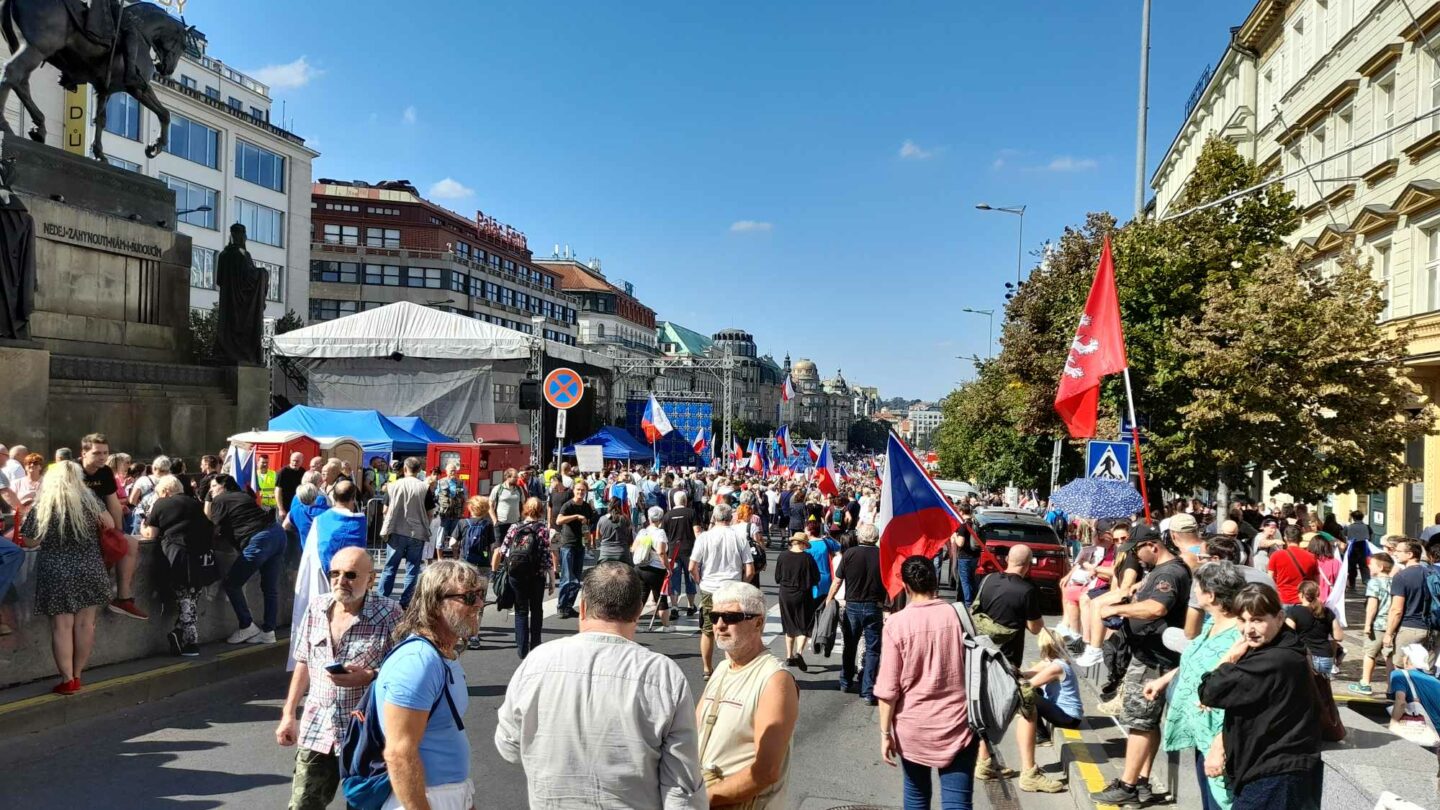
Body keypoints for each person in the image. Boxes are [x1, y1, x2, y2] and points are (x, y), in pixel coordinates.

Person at [496, 562, 707, 808]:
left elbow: (509, 745)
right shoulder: (662, 674)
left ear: (583, 607)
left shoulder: (538, 661)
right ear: (638, 612)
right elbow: (681, 784)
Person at [277, 547, 402, 810]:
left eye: (351, 574)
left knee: (363, 807)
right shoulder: (317, 607)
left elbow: (403, 671)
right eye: (334, 573)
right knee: (302, 805)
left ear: (371, 579)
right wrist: (289, 714)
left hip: (366, 734)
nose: (341, 581)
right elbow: (303, 661)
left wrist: (370, 676)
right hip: (319, 728)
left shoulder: (389, 614)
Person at [1197, 584, 1323, 809]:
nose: (1248, 630)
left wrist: (1230, 656)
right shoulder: (1283, 647)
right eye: (1242, 620)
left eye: (1257, 620)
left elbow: (1210, 690)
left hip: (1274, 775)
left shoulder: (1273, 660)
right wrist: (1220, 744)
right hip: (1274, 770)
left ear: (1279, 617)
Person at [1091, 533, 1192, 806]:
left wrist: (1119, 609)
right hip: (1150, 655)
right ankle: (1141, 782)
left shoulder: (1169, 573)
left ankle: (1127, 785)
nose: (1135, 558)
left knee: (1138, 723)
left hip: (1155, 660)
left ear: (1152, 545)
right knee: (1147, 722)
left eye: (1137, 551)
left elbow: (1156, 608)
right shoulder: (1161, 570)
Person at [375, 560, 484, 810]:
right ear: (434, 604)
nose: (479, 603)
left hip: (447, 796)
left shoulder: (442, 654)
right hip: (424, 799)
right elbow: (399, 754)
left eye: (479, 594)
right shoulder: (417, 663)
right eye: (468, 597)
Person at [875, 556, 978, 810]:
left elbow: (888, 690)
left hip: (913, 729)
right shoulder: (960, 616)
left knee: (916, 796)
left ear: (906, 587)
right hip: (959, 724)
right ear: (934, 581)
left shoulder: (896, 624)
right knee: (958, 802)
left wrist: (885, 733)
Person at [1146, 561, 1250, 810]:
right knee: (1208, 799)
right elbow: (1198, 664)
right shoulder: (1209, 625)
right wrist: (1164, 680)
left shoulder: (1239, 635)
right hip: (1201, 731)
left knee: (1221, 801)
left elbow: (1238, 692)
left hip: (1220, 737)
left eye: (1197, 588)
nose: (1194, 594)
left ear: (1211, 595)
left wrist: (1220, 745)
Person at [696, 580, 798, 809]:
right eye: (714, 617)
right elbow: (694, 732)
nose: (720, 625)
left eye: (731, 618)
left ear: (758, 622)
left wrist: (701, 800)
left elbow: (765, 771)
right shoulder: (722, 668)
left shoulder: (775, 679)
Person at [20, 460, 114, 694]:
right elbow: (110, 524)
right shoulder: (91, 501)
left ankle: (67, 679)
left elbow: (30, 540)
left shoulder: (44, 503)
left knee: (61, 627)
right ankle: (79, 675)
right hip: (90, 567)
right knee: (85, 625)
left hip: (57, 570)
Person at [141, 475, 218, 657]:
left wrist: (143, 527)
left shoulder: (162, 504)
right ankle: (179, 633)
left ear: (166, 491)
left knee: (184, 599)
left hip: (177, 554)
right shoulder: (195, 503)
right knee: (191, 599)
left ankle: (191, 643)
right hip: (200, 554)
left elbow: (151, 533)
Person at [208, 473, 286, 645]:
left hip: (259, 539)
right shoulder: (243, 495)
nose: (211, 491)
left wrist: (208, 502)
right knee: (269, 587)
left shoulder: (221, 500)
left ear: (224, 486)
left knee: (232, 583)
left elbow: (211, 525)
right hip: (277, 534)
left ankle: (247, 625)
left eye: (213, 486)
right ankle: (268, 631)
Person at [79, 433, 146, 620]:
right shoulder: (73, 470)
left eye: (105, 453)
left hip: (102, 523)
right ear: (83, 453)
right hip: (76, 525)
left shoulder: (106, 472)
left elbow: (114, 503)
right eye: (97, 453)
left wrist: (117, 532)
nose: (102, 457)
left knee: (129, 543)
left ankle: (123, 598)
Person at [1014, 630, 1084, 794]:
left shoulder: (1057, 667)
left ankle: (1041, 735)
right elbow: (1027, 673)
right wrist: (1017, 673)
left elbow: (1029, 684)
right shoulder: (1053, 662)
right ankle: (1042, 735)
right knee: (1034, 696)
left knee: (1029, 696)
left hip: (1069, 718)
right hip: (1062, 713)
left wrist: (1020, 680)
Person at [690, 503, 754, 679]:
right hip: (731, 588)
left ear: (714, 518)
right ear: (730, 518)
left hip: (709, 588)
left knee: (708, 630)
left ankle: (707, 669)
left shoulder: (704, 537)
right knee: (732, 628)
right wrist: (742, 584)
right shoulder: (740, 537)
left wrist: (699, 581)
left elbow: (692, 566)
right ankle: (732, 667)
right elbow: (750, 569)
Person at [827, 523, 887, 703]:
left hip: (852, 604)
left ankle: (845, 680)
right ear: (875, 538)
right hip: (874, 605)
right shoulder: (882, 556)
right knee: (873, 649)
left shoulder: (850, 554)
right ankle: (868, 690)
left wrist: (829, 600)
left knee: (850, 645)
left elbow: (837, 581)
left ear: (860, 537)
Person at [491, 497, 553, 659]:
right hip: (536, 574)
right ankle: (535, 646)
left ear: (525, 509)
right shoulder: (542, 529)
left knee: (521, 610)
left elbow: (503, 550)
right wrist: (552, 579)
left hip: (516, 574)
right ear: (540, 510)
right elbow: (546, 556)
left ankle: (522, 648)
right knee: (536, 609)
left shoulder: (514, 527)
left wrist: (496, 571)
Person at [1184, 534, 1270, 639]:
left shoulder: (1203, 580)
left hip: (1225, 642)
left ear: (1215, 559)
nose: (1198, 561)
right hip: (1264, 637)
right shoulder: (1263, 576)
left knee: (1169, 634)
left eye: (1201, 557)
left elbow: (1191, 633)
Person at [378, 457, 436, 609]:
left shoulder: (393, 486)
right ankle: (406, 603)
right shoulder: (424, 488)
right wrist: (425, 526)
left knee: (390, 567)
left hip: (396, 530)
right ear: (419, 470)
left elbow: (385, 510)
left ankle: (382, 600)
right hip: (417, 532)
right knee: (412, 569)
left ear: (404, 469)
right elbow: (430, 512)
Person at [1383, 537, 1435, 667]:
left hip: (1409, 628)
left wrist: (1388, 634)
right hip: (1432, 628)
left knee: (1403, 670)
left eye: (1399, 551)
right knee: (1426, 671)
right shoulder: (1431, 573)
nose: (1395, 553)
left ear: (1410, 554)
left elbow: (1397, 610)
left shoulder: (1401, 576)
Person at [1349, 551, 1395, 696]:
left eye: (1372, 564)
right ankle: (1391, 688)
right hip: (1391, 624)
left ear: (1380, 567)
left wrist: (1367, 624)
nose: (1369, 566)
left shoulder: (1374, 582)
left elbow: (1372, 605)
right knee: (1389, 657)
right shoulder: (1395, 581)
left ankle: (1365, 683)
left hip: (1377, 624)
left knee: (1370, 654)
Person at [774, 532, 820, 670]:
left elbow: (777, 577)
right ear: (803, 544)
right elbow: (816, 577)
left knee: (789, 624)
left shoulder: (782, 556)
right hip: (802, 594)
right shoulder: (807, 558)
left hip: (785, 593)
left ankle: (789, 656)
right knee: (804, 625)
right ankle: (799, 652)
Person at [554, 481, 597, 620]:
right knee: (567, 578)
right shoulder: (568, 505)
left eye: (583, 491)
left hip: (580, 545)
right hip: (568, 544)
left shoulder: (586, 507)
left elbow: (588, 525)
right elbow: (559, 521)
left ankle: (569, 606)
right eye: (578, 490)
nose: (580, 493)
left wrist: (589, 541)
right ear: (574, 491)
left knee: (577, 579)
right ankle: (561, 606)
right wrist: (576, 517)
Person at [1286, 580, 1343, 679]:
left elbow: (1288, 635)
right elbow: (1339, 637)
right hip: (1325, 656)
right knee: (1322, 690)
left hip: (1304, 656)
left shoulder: (1294, 612)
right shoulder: (1327, 612)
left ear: (1301, 594)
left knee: (1305, 690)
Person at [310, 481, 367, 576]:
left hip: (325, 571)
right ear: (353, 498)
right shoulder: (360, 522)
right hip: (351, 575)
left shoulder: (320, 519)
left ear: (334, 496)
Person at [631, 506, 673, 632]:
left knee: (641, 597)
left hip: (640, 567)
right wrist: (668, 567)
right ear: (661, 519)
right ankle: (666, 626)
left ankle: (634, 624)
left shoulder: (642, 532)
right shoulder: (660, 533)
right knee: (661, 597)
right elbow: (661, 552)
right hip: (655, 569)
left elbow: (633, 548)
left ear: (649, 518)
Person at [1388, 643, 1440, 742]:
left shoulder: (1399, 675)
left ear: (1407, 659)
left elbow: (1401, 702)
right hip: (1436, 733)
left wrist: (1392, 727)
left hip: (1418, 729)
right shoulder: (1436, 681)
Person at [664, 491, 701, 617]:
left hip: (672, 551)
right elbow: (697, 531)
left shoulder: (667, 515)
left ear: (674, 501)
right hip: (689, 550)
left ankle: (674, 607)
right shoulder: (691, 513)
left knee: (674, 579)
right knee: (690, 577)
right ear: (685, 501)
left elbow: (664, 535)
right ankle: (691, 606)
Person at [1266, 525, 1318, 606]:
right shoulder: (1311, 557)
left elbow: (1269, 579)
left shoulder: (1276, 556)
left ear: (1285, 538)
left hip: (1283, 599)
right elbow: (1317, 581)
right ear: (1300, 538)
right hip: (1305, 600)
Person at [950, 505, 981, 603]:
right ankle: (974, 600)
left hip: (964, 556)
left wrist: (954, 535)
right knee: (972, 579)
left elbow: (960, 543)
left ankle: (968, 603)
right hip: (975, 555)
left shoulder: (963, 525)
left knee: (965, 581)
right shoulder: (975, 523)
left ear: (962, 512)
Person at [596, 497, 635, 563]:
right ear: (621, 506)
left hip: (605, 554)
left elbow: (597, 537)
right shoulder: (625, 519)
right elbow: (630, 537)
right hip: (622, 554)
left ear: (609, 505)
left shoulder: (602, 519)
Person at [493, 467, 524, 543]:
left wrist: (522, 519)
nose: (517, 479)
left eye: (517, 477)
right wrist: (494, 520)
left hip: (515, 524)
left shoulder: (519, 489)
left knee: (513, 547)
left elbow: (523, 504)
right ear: (508, 477)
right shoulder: (498, 489)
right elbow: (490, 505)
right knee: (498, 548)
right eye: (515, 477)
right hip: (501, 523)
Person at [1344, 510, 1374, 589]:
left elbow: (1345, 535)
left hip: (1353, 547)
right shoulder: (1367, 526)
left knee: (1352, 566)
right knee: (1364, 566)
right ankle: (1366, 582)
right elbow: (1370, 537)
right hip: (1363, 546)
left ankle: (1352, 583)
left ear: (1353, 518)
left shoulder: (1349, 527)